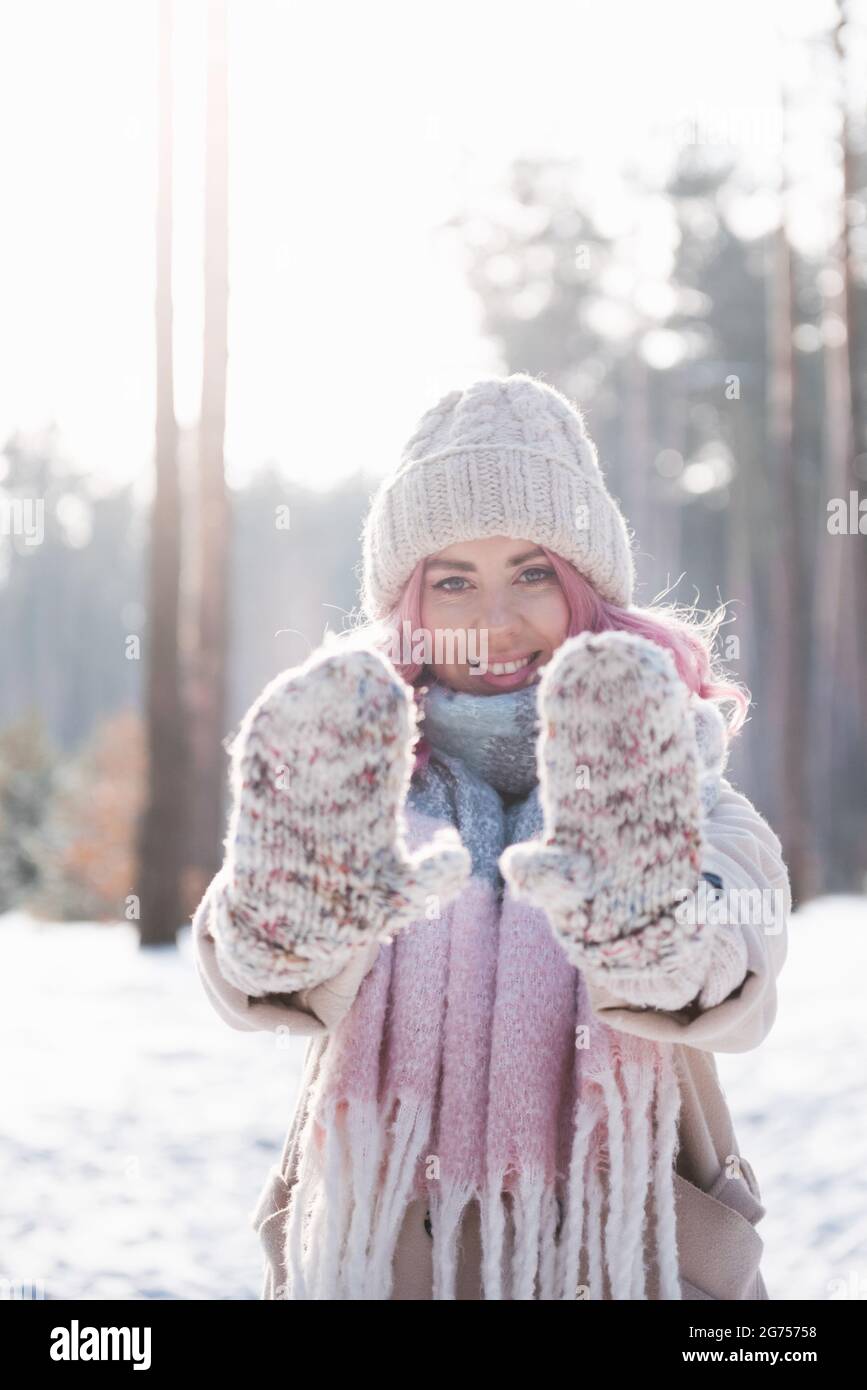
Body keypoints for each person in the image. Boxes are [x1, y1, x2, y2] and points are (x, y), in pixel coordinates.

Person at [191, 372, 790, 1300]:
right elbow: (243, 971)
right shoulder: (354, 775)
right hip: (382, 1257)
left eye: (532, 572)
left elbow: (738, 957)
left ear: (586, 588)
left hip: (630, 1261)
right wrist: (292, 913)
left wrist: (652, 928)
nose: (492, 619)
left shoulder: (678, 778)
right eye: (453, 580)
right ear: (407, 604)